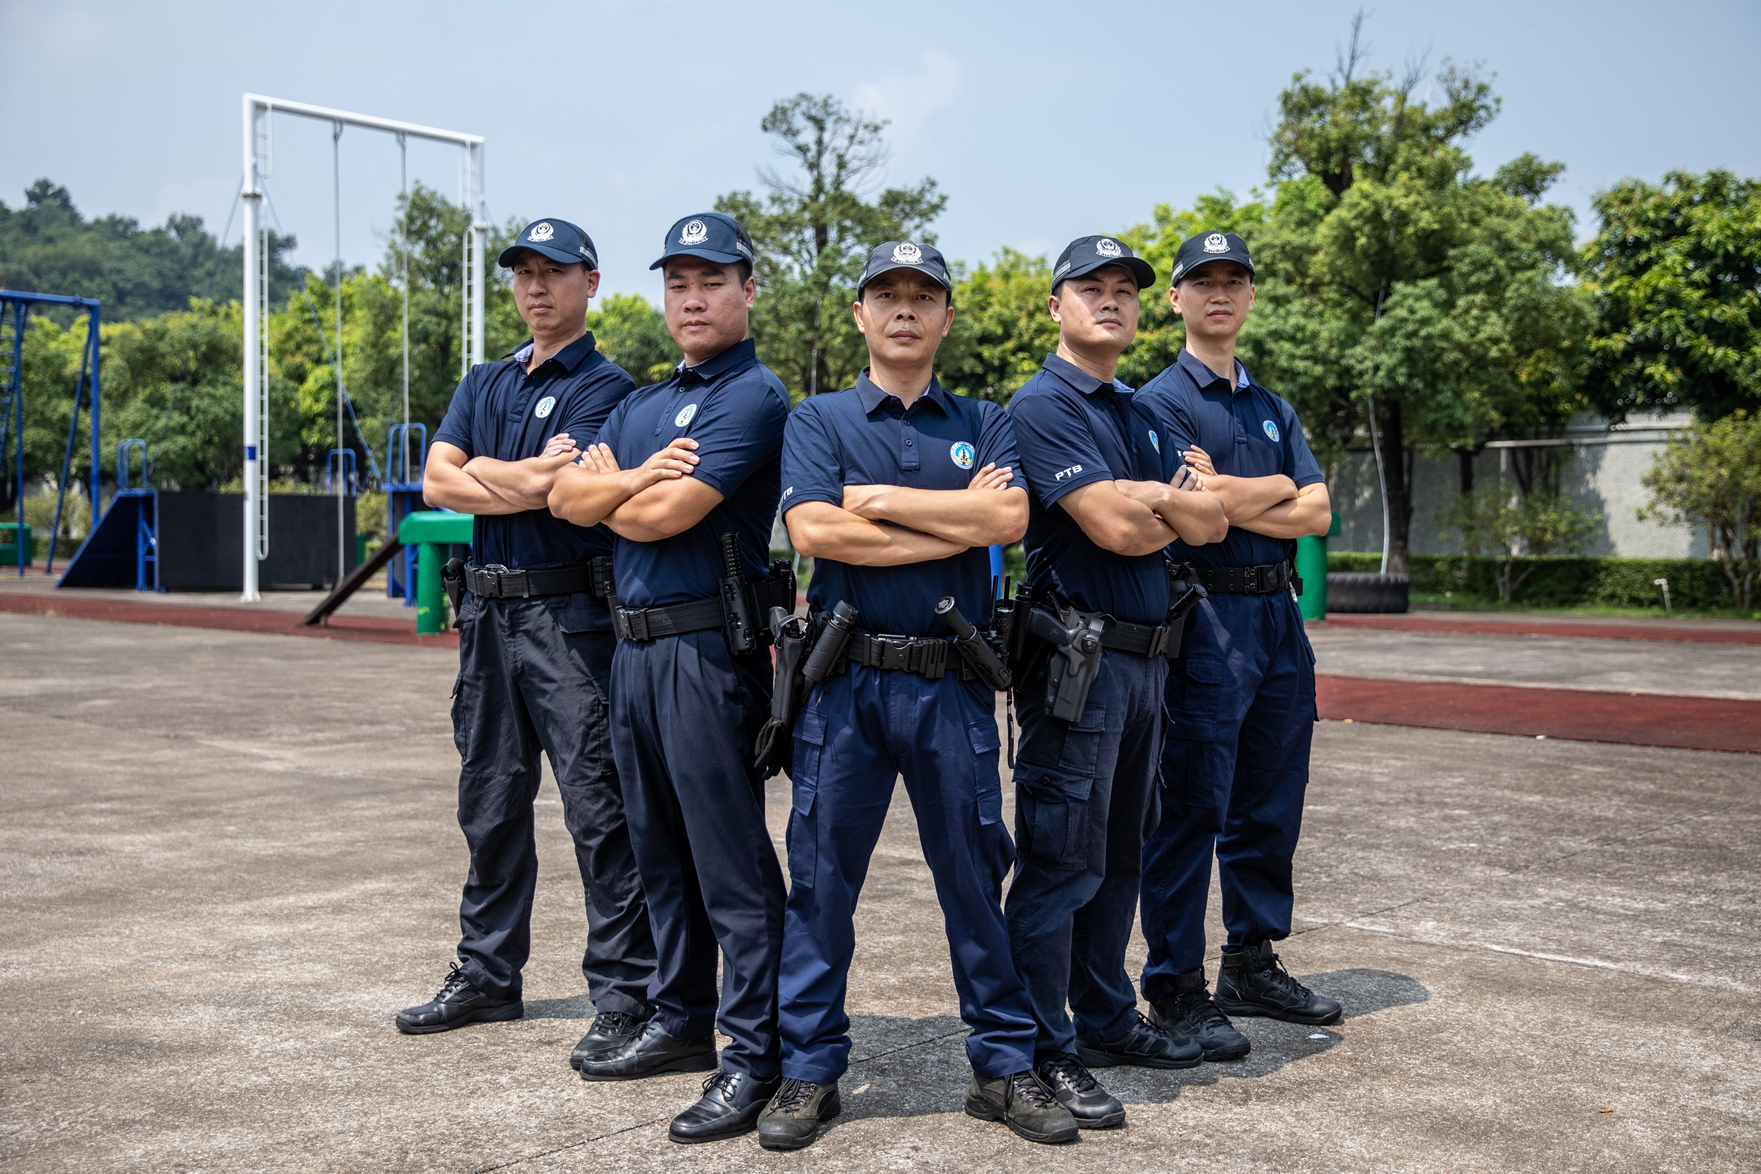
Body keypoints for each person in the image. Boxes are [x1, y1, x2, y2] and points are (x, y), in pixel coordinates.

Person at [756, 241, 1075, 1151]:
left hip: (950, 681)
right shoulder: (815, 419)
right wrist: (947, 518)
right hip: (842, 686)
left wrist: (878, 502)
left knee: (976, 880)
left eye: (922, 296)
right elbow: (814, 530)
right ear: (859, 314)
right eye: (885, 295)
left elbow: (1006, 521)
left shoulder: (986, 417)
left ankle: (1003, 1067)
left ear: (944, 316)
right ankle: (808, 1072)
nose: (903, 309)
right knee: (819, 884)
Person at [547, 212, 794, 1144]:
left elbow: (663, 516)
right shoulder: (642, 404)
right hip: (633, 651)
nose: (691, 300)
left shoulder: (753, 397)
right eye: (677, 285)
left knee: (729, 862)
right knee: (658, 852)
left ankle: (754, 1048)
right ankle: (681, 1016)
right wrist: (630, 479)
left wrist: (619, 489)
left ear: (746, 291)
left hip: (704, 650)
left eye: (711, 282)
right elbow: (571, 502)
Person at [396, 219, 656, 1069]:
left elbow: (561, 489)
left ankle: (623, 994)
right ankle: (486, 973)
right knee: (489, 800)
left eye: (554, 273)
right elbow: (437, 479)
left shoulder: (608, 387)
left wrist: (491, 482)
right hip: (487, 621)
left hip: (569, 622)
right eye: (524, 274)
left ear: (590, 283)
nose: (536, 287)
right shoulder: (484, 380)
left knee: (597, 807)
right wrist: (517, 482)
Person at [1003, 236, 1228, 1120]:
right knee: (1060, 861)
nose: (1110, 301)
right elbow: (1115, 530)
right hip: (1077, 662)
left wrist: (1159, 498)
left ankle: (1100, 1015)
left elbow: (1212, 520)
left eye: (1123, 290)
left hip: (1147, 661)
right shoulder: (1042, 405)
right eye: (1088, 288)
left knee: (1121, 857)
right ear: (1055, 306)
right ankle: (1037, 1045)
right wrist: (1163, 498)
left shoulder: (1140, 409)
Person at [1135, 231, 1342, 1063]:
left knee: (1269, 797)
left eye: (1234, 280)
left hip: (1277, 622)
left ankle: (1250, 963)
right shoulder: (1158, 402)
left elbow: (1318, 512)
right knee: (1190, 804)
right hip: (1205, 619)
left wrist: (1232, 490)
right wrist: (1272, 491)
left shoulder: (1271, 406)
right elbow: (1198, 511)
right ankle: (1174, 986)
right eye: (1202, 281)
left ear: (1250, 296)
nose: (1219, 293)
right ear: (1177, 299)